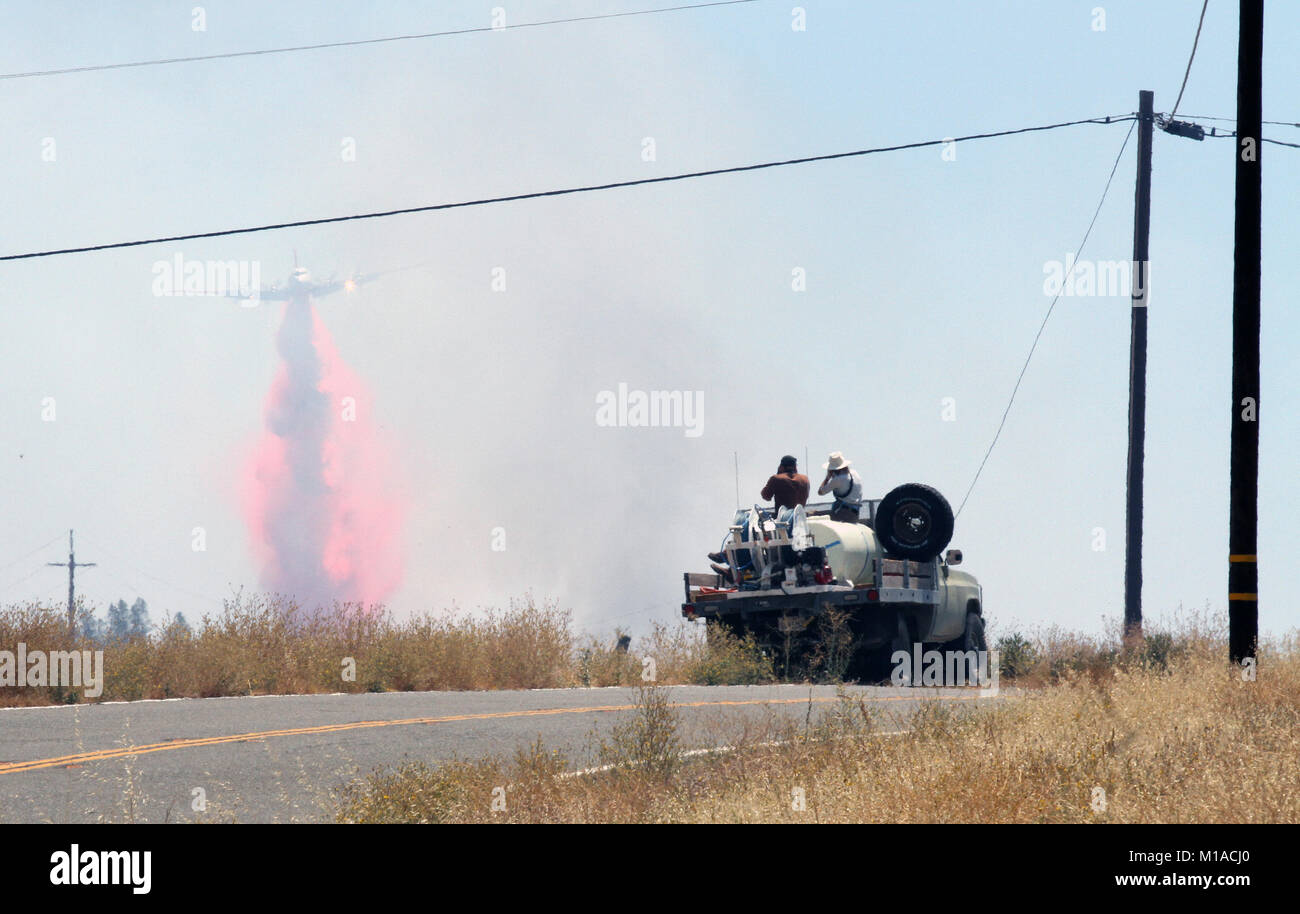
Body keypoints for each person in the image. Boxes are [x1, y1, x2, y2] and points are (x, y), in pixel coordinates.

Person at [708, 455, 809, 574]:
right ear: (795, 467)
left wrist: (777, 476)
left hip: (782, 524)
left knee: (751, 533)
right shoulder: (805, 479)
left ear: (781, 467)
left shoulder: (777, 478)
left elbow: (765, 496)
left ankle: (729, 563)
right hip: (800, 523)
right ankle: (729, 561)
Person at [818, 451, 863, 523]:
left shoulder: (838, 480)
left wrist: (827, 478)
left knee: (814, 514)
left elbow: (820, 492)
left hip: (842, 513)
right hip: (855, 513)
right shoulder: (854, 473)